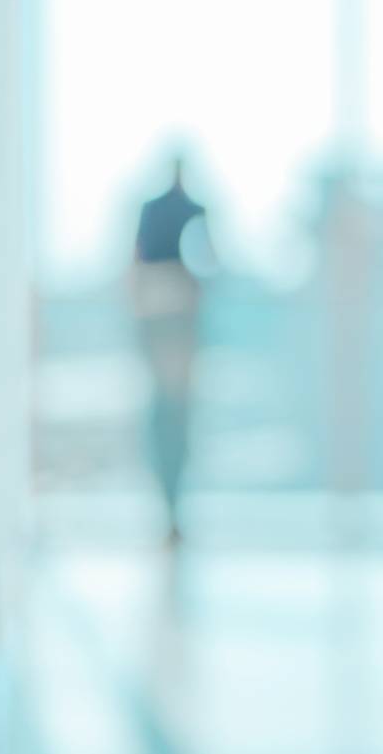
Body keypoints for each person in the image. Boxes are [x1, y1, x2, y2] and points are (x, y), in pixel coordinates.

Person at [128, 149, 216, 546]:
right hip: (168, 313)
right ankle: (168, 505)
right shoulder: (183, 210)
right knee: (170, 413)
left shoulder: (182, 210)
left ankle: (171, 506)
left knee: (173, 414)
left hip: (165, 313)